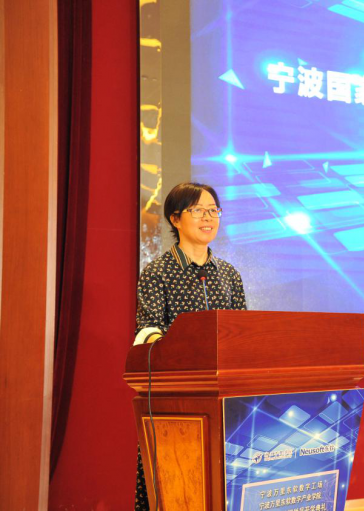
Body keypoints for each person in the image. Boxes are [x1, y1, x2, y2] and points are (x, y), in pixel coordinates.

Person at [133, 182, 247, 510]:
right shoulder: (157, 273)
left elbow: (242, 333)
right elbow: (148, 332)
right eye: (198, 210)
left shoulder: (229, 274)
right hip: (177, 401)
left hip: (225, 401)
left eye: (213, 210)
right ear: (175, 219)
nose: (208, 217)